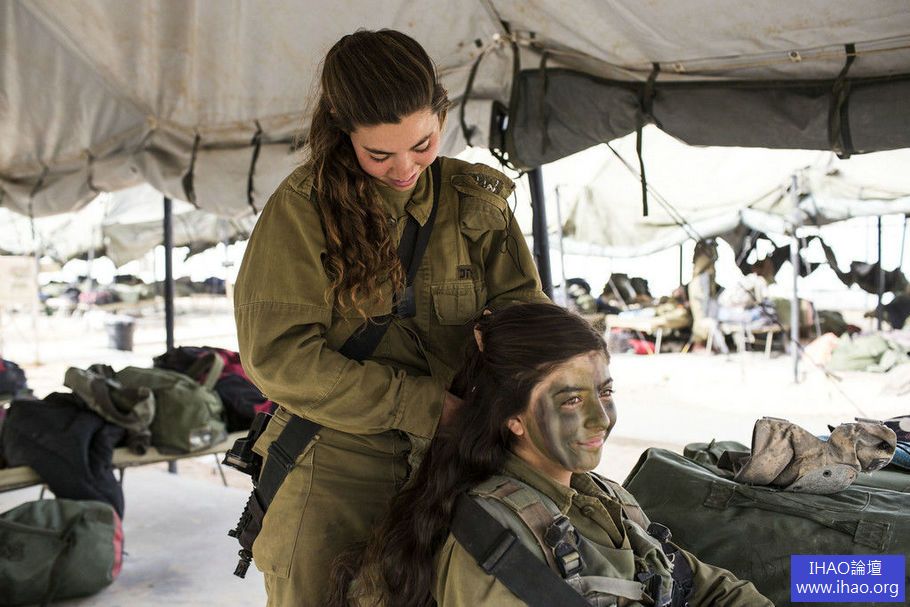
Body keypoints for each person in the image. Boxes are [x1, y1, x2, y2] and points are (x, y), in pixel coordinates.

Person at [232, 29, 547, 605]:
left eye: (423, 144)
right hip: (335, 466)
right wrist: (425, 406)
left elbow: (528, 324)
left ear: (443, 115)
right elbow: (278, 359)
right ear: (341, 129)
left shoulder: (475, 204)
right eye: (378, 154)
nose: (404, 167)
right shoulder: (302, 210)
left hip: (451, 465)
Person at [332, 302, 771, 606]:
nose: (602, 419)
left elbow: (707, 585)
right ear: (513, 417)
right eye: (572, 400)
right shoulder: (491, 539)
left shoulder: (604, 498)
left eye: (605, 392)